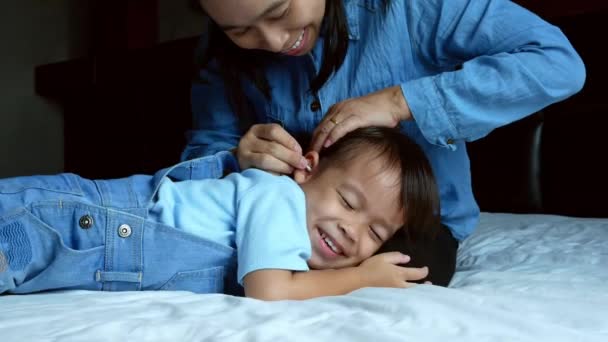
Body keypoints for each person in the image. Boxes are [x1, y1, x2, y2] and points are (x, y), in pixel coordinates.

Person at [183, 0, 586, 285]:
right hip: (278, 212)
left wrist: (400, 102)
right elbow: (198, 167)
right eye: (241, 30)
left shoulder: (412, 10)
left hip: (415, 231)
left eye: (280, 11)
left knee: (405, 275)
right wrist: (237, 155)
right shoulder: (220, 57)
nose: (272, 41)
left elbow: (558, 63)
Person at [1, 127, 438, 299]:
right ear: (307, 169)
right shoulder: (278, 195)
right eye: (347, 202)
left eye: (375, 232)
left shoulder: (293, 249)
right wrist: (362, 277)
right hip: (66, 224)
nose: (350, 229)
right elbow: (269, 291)